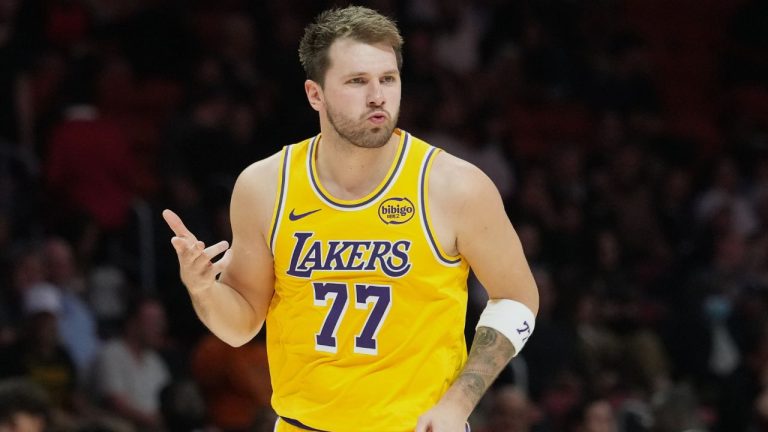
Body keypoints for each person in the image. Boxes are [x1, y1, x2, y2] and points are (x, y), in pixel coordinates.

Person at [163, 6, 539, 432]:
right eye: (357, 81)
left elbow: (516, 298)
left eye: (388, 79)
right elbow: (241, 326)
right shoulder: (265, 186)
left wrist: (459, 402)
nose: (377, 95)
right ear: (315, 94)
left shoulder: (455, 186)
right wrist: (203, 290)